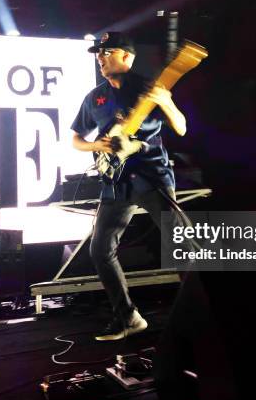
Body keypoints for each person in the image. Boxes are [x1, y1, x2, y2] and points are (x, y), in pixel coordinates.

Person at [71, 32, 188, 341]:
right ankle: (128, 317)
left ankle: (202, 312)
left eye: (107, 51)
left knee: (182, 246)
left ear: (127, 57)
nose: (100, 57)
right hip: (116, 182)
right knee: (100, 249)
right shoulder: (94, 97)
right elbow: (76, 139)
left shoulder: (149, 90)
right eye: (98, 53)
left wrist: (167, 102)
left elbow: (181, 127)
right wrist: (99, 145)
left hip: (151, 176)